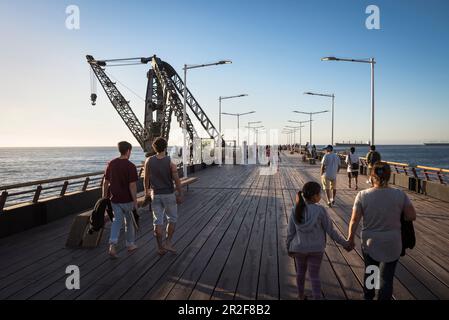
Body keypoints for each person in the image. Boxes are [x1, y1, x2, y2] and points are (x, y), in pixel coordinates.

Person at [347, 162, 417, 300]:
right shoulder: (399, 194)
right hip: (393, 243)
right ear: (389, 176)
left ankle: (368, 297)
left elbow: (354, 220)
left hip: (370, 242)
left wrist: (350, 239)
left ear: (372, 177)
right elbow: (411, 216)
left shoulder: (362, 195)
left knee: (371, 272)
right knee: (387, 278)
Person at [287, 182, 350, 300]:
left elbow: (290, 232)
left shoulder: (295, 209)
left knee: (300, 273)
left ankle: (300, 296)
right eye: (319, 193)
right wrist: (345, 244)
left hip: (299, 248)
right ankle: (317, 297)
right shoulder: (321, 210)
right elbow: (331, 231)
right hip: (316, 249)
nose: (320, 195)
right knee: (314, 275)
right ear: (314, 196)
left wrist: (288, 247)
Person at [144, 137, 183, 256]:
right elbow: (176, 180)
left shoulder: (148, 161)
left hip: (155, 195)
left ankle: (160, 247)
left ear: (154, 148)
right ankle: (168, 242)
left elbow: (146, 179)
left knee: (158, 221)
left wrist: (146, 192)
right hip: (169, 194)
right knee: (172, 219)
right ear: (165, 148)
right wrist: (180, 194)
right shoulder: (170, 162)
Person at [102, 141, 139, 258]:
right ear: (128, 151)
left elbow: (105, 182)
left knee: (117, 222)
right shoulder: (131, 166)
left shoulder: (111, 164)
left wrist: (104, 197)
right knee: (129, 222)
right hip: (127, 200)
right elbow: (132, 186)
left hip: (115, 200)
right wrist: (135, 201)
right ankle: (130, 244)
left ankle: (112, 245)